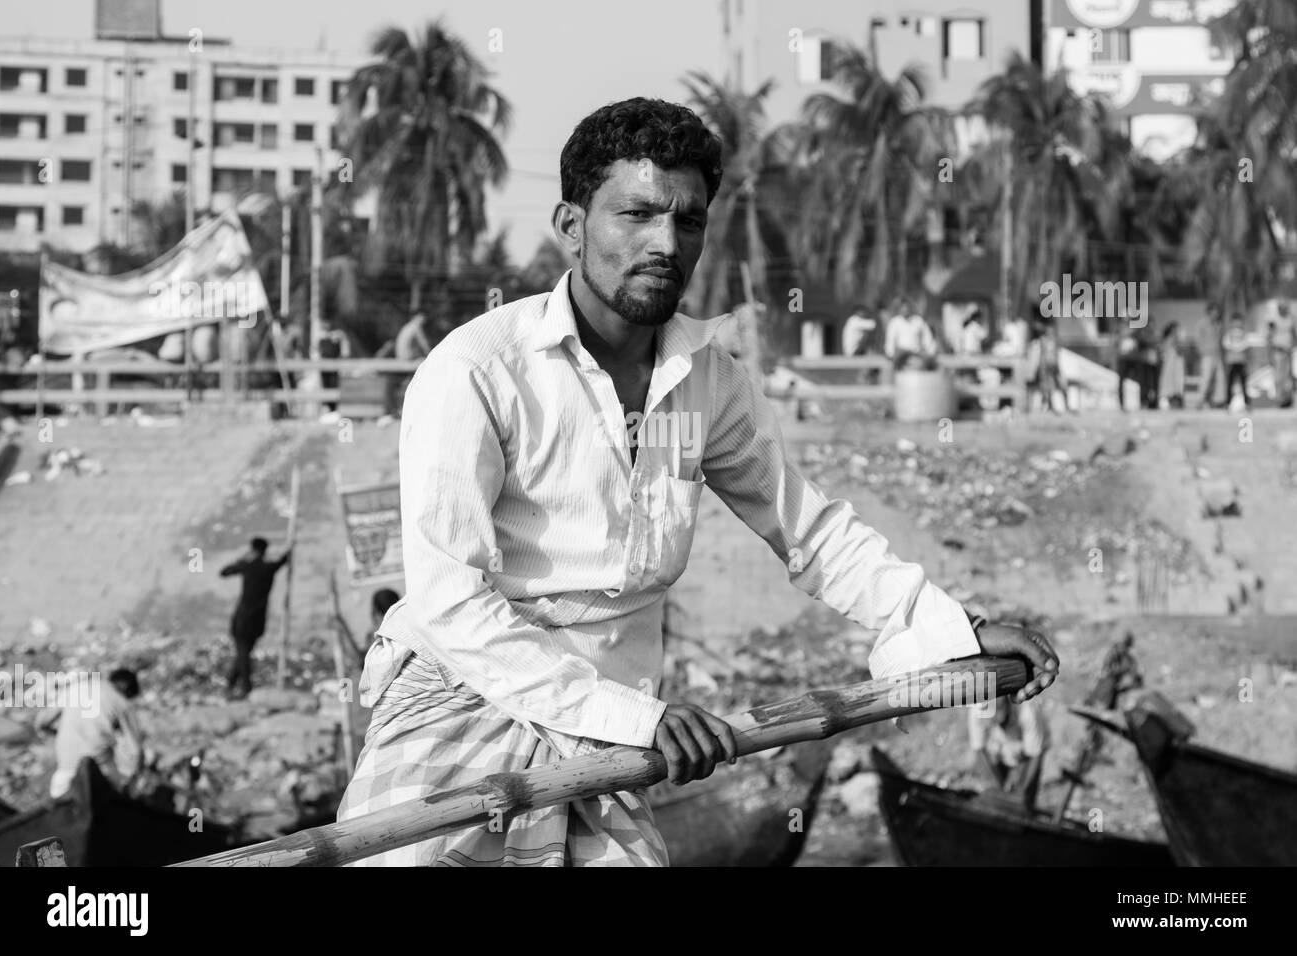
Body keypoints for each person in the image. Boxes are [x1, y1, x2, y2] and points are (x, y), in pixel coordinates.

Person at [335, 97, 1059, 867]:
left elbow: (811, 533)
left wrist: (954, 629)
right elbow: (452, 603)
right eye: (637, 214)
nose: (664, 243)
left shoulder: (710, 380)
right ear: (570, 225)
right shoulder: (478, 370)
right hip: (461, 705)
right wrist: (632, 718)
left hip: (613, 735)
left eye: (687, 221)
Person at [40, 668, 145, 799]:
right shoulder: (121, 702)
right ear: (126, 688)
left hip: (66, 771)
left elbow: (41, 723)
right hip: (101, 772)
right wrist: (135, 779)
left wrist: (59, 734)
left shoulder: (76, 688)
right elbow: (135, 750)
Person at [220, 538, 292, 698]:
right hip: (257, 620)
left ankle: (245, 688)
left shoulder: (248, 566)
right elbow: (282, 560)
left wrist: (242, 559)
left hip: (243, 618)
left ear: (253, 549)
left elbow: (224, 572)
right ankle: (232, 684)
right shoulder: (268, 568)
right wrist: (287, 550)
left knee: (243, 654)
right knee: (243, 654)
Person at [968, 694, 1049, 812]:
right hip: (996, 750)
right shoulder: (977, 710)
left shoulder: (1028, 710)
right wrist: (996, 789)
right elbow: (979, 750)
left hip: (1026, 750)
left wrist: (1021, 793)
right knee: (997, 798)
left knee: (1023, 800)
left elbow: (1035, 755)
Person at [883, 296, 937, 370]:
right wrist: (890, 354)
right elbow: (890, 340)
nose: (905, 309)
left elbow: (927, 338)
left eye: (907, 307)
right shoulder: (894, 322)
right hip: (901, 353)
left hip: (916, 352)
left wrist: (930, 352)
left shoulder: (918, 321)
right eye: (903, 307)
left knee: (929, 363)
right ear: (899, 309)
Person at [318, 320, 352, 412]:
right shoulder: (321, 339)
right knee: (326, 387)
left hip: (334, 368)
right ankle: (328, 409)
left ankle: (334, 410)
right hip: (324, 368)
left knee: (334, 387)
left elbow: (345, 353)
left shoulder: (338, 336)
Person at [1196, 305, 1225, 409]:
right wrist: (1202, 351)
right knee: (1206, 378)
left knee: (1219, 379)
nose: (1216, 314)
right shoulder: (1202, 324)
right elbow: (1199, 339)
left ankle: (1218, 401)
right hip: (1207, 355)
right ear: (1209, 312)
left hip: (1217, 355)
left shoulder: (1219, 324)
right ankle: (1200, 400)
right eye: (1214, 312)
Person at [1267, 301, 1294, 408]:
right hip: (1277, 351)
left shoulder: (1291, 319)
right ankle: (1278, 400)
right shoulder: (1274, 319)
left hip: (1288, 351)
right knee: (1278, 377)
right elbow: (1269, 336)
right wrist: (1269, 352)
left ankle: (1287, 401)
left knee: (1287, 377)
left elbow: (1293, 333)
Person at [1223, 313, 1251, 410]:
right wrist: (1236, 348)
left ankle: (1247, 403)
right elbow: (1226, 343)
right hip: (1231, 361)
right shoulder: (1229, 333)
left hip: (1241, 361)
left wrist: (1237, 347)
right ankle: (1228, 403)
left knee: (1244, 383)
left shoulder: (1244, 333)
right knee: (1230, 383)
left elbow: (1246, 344)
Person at [1157, 322, 1186, 409]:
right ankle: (1165, 400)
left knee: (1177, 384)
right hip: (1169, 366)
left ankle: (1175, 401)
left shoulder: (1176, 341)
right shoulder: (1169, 340)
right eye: (1177, 329)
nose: (1178, 331)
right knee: (1168, 382)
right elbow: (1164, 352)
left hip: (1176, 367)